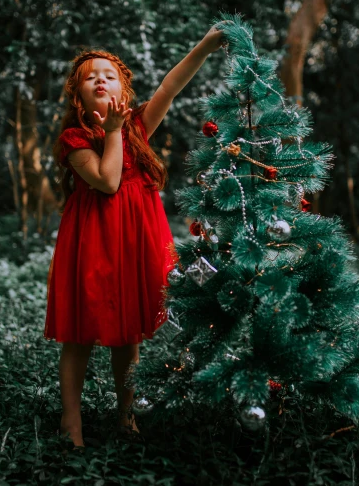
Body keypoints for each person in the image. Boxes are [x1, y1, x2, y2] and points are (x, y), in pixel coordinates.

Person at [45, 25, 225, 449]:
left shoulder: (138, 128)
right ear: (78, 95)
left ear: (122, 88)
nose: (101, 79)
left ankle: (125, 416)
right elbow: (107, 183)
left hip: (134, 241)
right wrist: (110, 133)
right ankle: (71, 422)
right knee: (80, 331)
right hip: (93, 241)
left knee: (126, 333)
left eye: (109, 74)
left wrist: (207, 44)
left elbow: (171, 84)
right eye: (91, 76)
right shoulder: (76, 138)